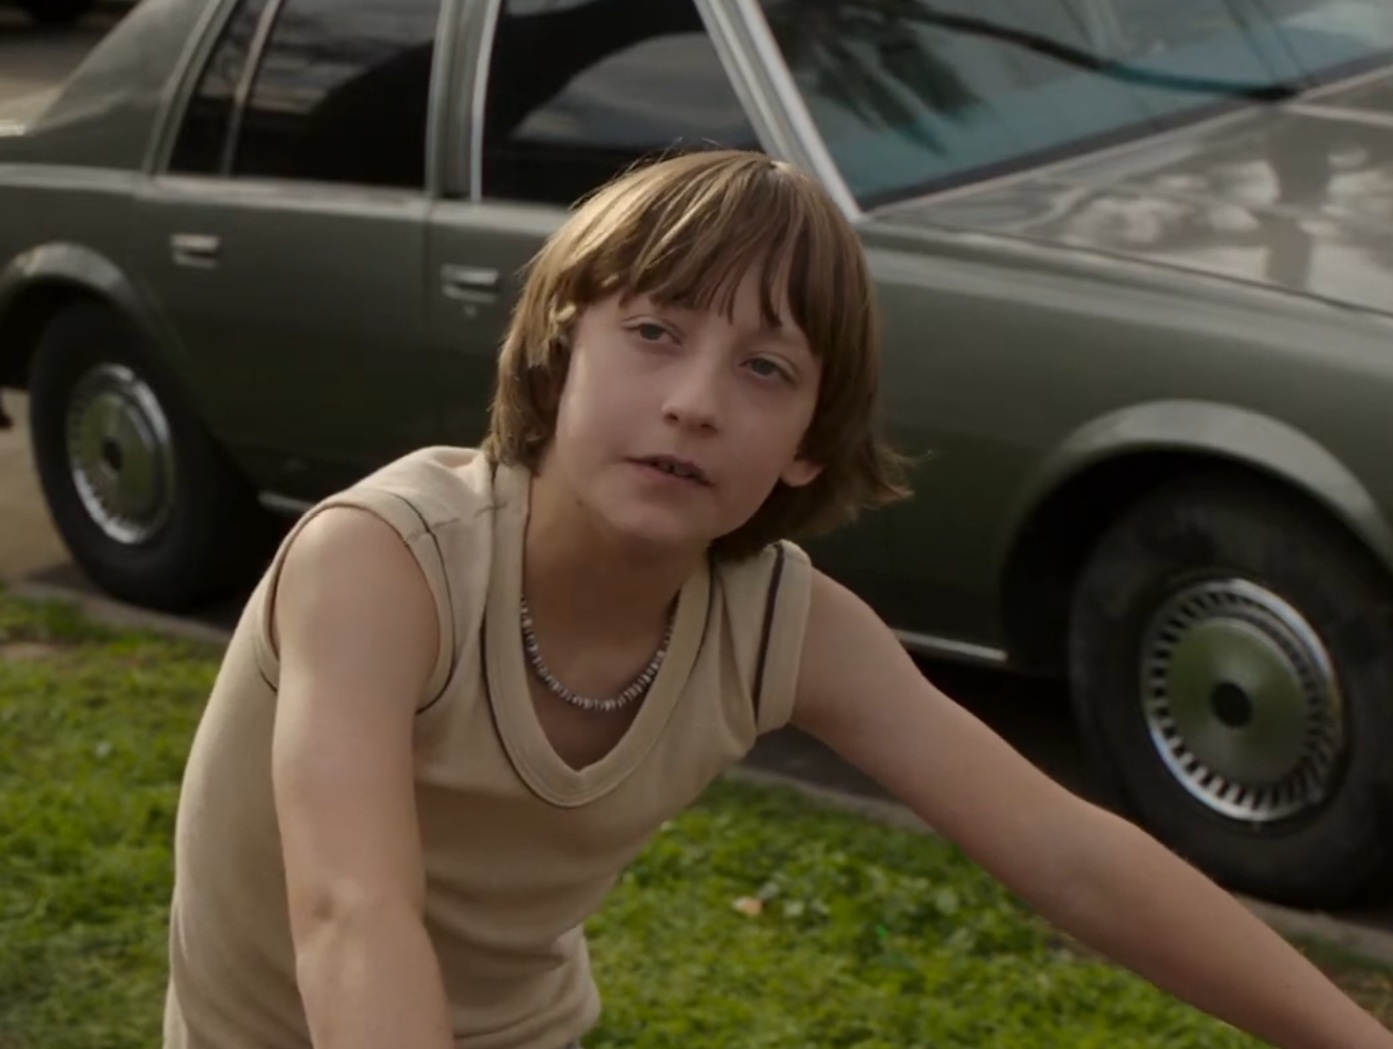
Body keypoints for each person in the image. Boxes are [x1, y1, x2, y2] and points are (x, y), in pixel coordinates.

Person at [160, 148, 1393, 1049]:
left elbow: (1071, 857)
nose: (695, 400)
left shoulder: (780, 624)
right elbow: (351, 910)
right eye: (655, 331)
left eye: (764, 367)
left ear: (808, 443)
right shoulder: (382, 560)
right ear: (558, 349)